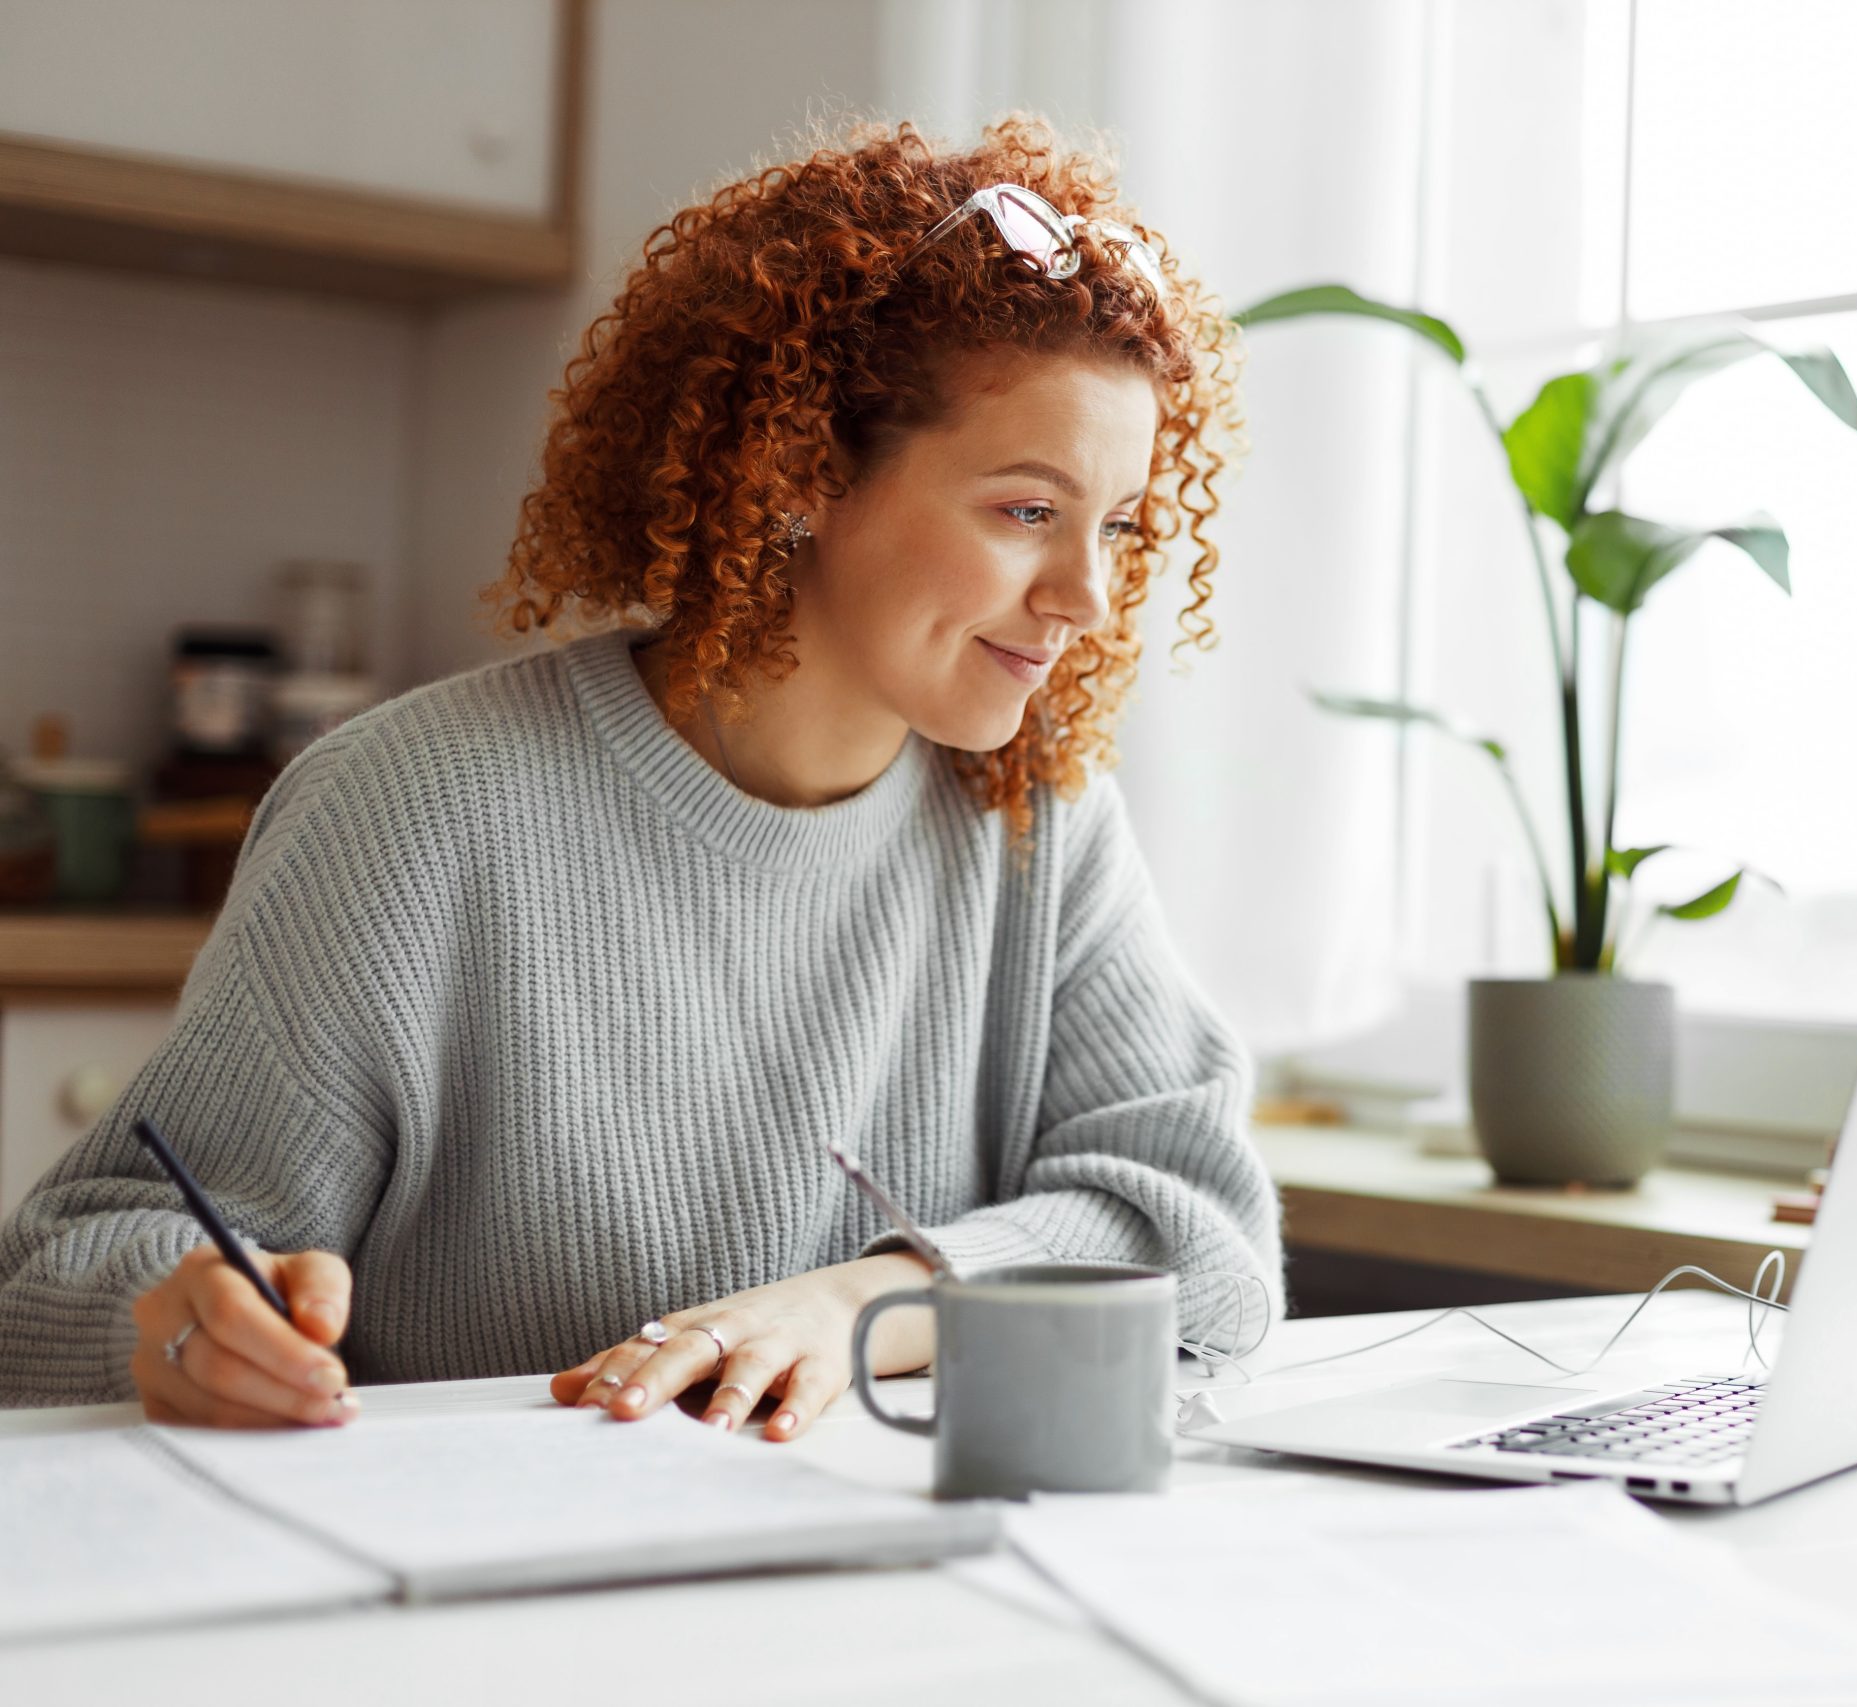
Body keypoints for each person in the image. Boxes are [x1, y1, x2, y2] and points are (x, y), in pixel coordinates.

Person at [0, 115, 1281, 1440]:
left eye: (1121, 527)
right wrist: (183, 1315)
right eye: (1027, 510)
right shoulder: (411, 809)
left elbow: (1201, 1238)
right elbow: (70, 1270)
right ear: (799, 472)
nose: (1086, 596)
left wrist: (868, 1306)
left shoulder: (1039, 823)